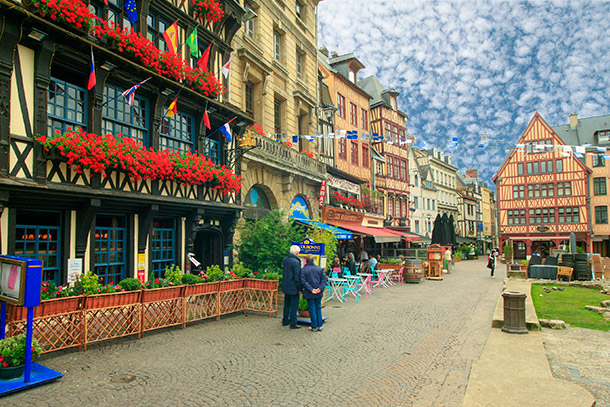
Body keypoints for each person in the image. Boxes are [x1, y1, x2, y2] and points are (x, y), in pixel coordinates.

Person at [300, 254, 327, 332]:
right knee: (318, 307)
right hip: (318, 291)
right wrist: (320, 288)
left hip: (309, 292)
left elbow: (303, 281)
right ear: (313, 260)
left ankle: (314, 326)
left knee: (312, 308)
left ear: (306, 260)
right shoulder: (319, 269)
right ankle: (320, 325)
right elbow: (324, 280)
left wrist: (311, 289)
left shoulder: (304, 270)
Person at [282, 245, 302, 329]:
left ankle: (285, 320)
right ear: (297, 253)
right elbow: (297, 276)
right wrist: (299, 288)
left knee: (287, 304)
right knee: (294, 305)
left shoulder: (285, 260)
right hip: (293, 287)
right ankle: (293, 323)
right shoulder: (296, 262)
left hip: (286, 285)